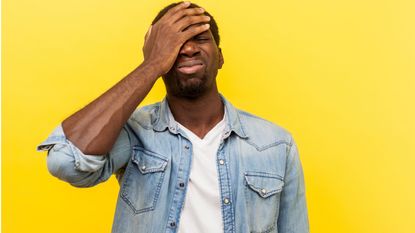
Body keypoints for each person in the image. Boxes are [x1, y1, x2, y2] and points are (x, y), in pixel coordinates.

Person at [37, 2, 309, 233]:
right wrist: (151, 65)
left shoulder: (277, 144)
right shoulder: (134, 133)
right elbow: (65, 162)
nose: (188, 49)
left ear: (221, 57)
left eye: (200, 38)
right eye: (174, 43)